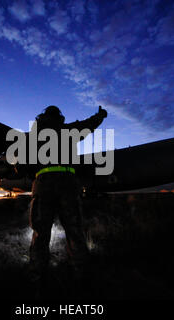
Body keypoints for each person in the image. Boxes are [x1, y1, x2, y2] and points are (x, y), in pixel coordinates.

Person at [28, 105, 107, 295]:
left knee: (40, 235)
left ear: (43, 117)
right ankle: (81, 281)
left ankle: (38, 282)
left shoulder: (33, 135)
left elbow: (24, 162)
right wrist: (100, 115)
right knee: (75, 233)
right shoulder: (68, 131)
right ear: (59, 117)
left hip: (43, 184)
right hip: (68, 185)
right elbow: (89, 125)